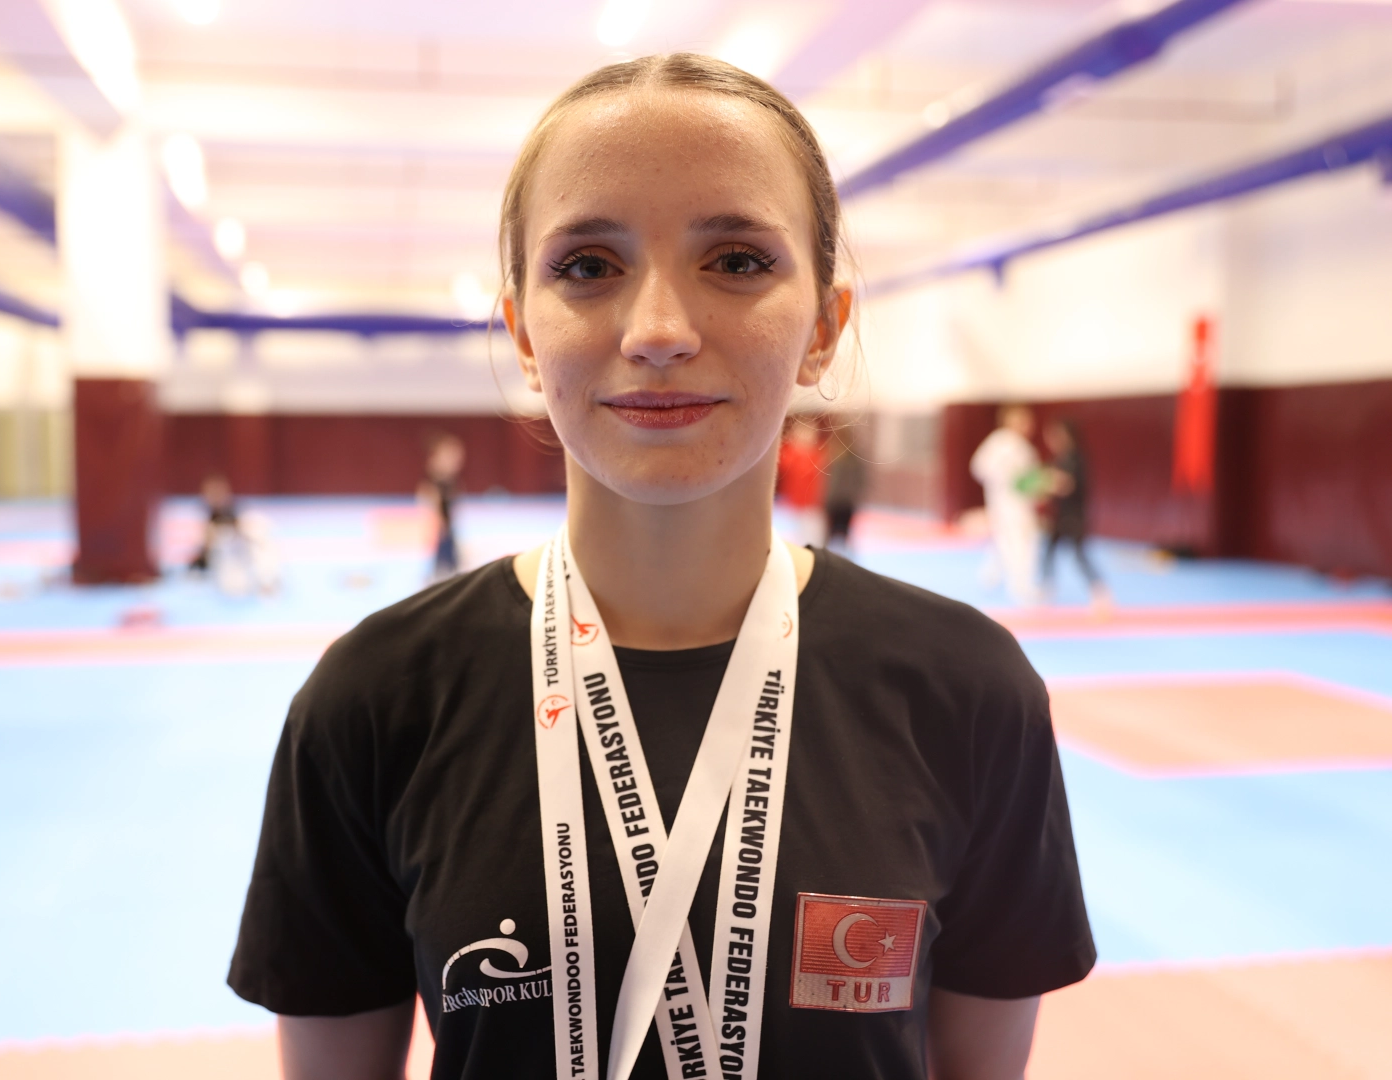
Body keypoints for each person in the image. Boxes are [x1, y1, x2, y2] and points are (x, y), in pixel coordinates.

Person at [229, 54, 1094, 1080]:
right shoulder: (374, 701)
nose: (659, 333)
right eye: (588, 266)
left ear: (824, 328)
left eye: (737, 260)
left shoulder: (966, 692)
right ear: (523, 332)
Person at [970, 405, 1044, 605]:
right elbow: (1024, 479)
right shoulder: (1010, 444)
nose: (1028, 426)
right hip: (1013, 505)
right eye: (1024, 421)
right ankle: (1022, 589)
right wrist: (1006, 482)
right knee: (1022, 545)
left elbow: (978, 468)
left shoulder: (1004, 443)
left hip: (1003, 503)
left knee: (1003, 542)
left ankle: (990, 577)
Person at [1041, 419, 1111, 612]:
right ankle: (1046, 589)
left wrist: (1051, 483)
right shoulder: (1058, 459)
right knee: (1048, 551)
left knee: (1079, 555)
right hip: (1059, 514)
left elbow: (1068, 485)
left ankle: (1100, 592)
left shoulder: (1077, 459)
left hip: (1074, 515)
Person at [188, 474, 279, 596]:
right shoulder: (206, 517)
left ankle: (267, 582)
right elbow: (205, 551)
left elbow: (258, 544)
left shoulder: (241, 515)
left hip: (242, 563)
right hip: (222, 572)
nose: (215, 496)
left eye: (218, 491)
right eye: (210, 492)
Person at [419, 433, 465, 580]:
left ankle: (446, 574)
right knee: (443, 555)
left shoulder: (448, 479)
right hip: (443, 524)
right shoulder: (435, 479)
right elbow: (432, 498)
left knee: (449, 555)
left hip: (447, 522)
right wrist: (439, 521)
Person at [775, 420, 825, 548]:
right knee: (786, 540)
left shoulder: (817, 455)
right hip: (788, 505)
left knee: (812, 540)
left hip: (810, 505)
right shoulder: (789, 453)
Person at [821, 432, 866, 554]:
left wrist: (827, 500)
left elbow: (834, 483)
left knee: (835, 533)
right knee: (841, 533)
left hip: (840, 502)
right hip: (845, 501)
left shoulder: (841, 460)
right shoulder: (850, 460)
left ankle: (829, 555)